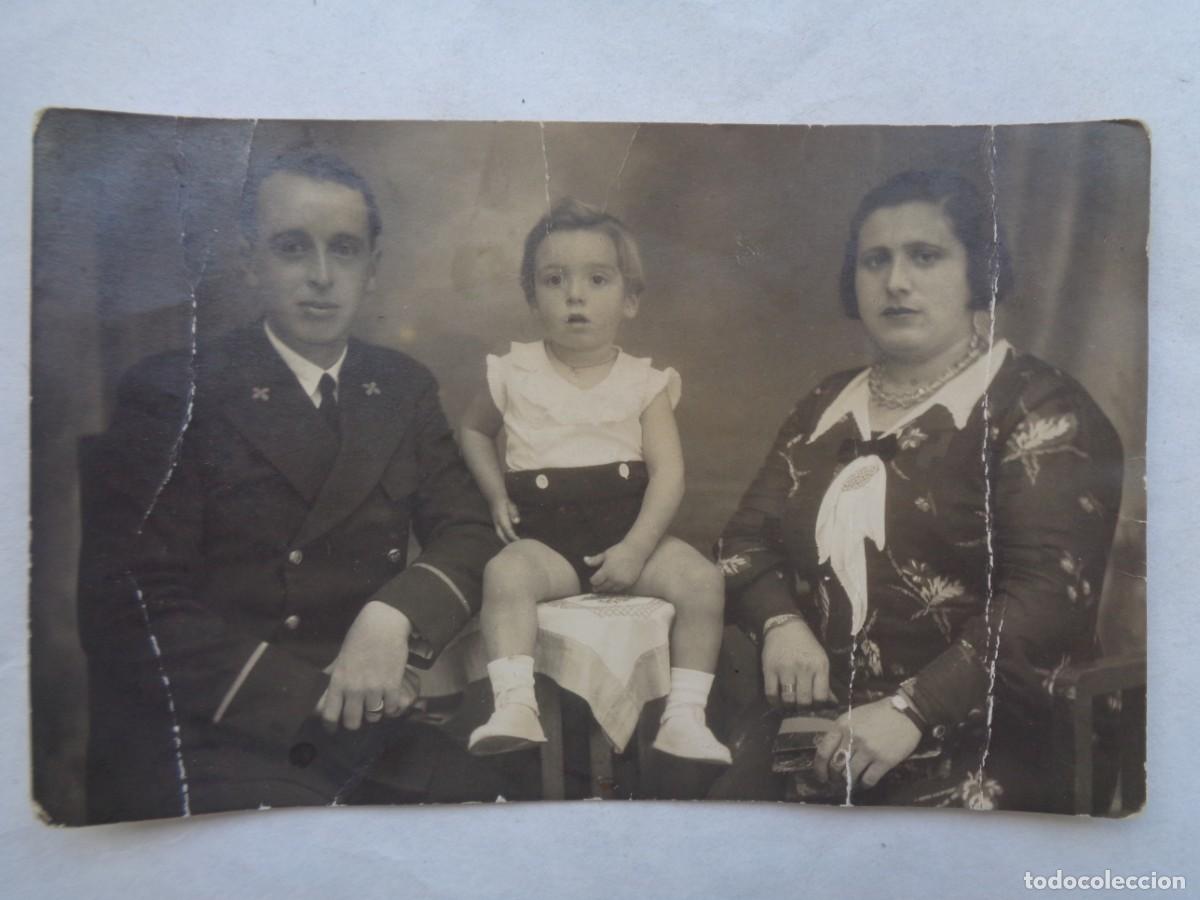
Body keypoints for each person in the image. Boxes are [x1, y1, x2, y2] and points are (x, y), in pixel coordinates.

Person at [77, 149, 506, 821]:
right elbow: (130, 608)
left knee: (515, 809)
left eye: (344, 249)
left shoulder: (400, 387)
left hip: (372, 723)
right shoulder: (175, 392)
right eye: (291, 248)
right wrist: (315, 696)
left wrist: (391, 617)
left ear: (373, 267)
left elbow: (471, 529)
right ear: (251, 262)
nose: (321, 277)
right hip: (228, 730)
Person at [710, 170, 1123, 810]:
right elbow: (743, 541)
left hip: (984, 730)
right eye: (876, 260)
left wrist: (911, 708)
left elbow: (1048, 597)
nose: (896, 281)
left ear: (978, 274)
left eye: (925, 256)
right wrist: (781, 622)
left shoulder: (1040, 408)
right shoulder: (826, 403)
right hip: (818, 728)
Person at [458, 199, 730, 765]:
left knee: (702, 580)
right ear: (532, 298)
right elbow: (474, 432)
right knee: (505, 575)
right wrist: (495, 494)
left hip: (629, 535)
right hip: (548, 543)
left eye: (597, 279)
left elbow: (669, 472)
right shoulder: (513, 371)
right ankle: (514, 704)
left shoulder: (644, 382)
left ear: (629, 299)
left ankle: (685, 715)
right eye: (554, 280)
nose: (574, 295)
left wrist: (636, 548)